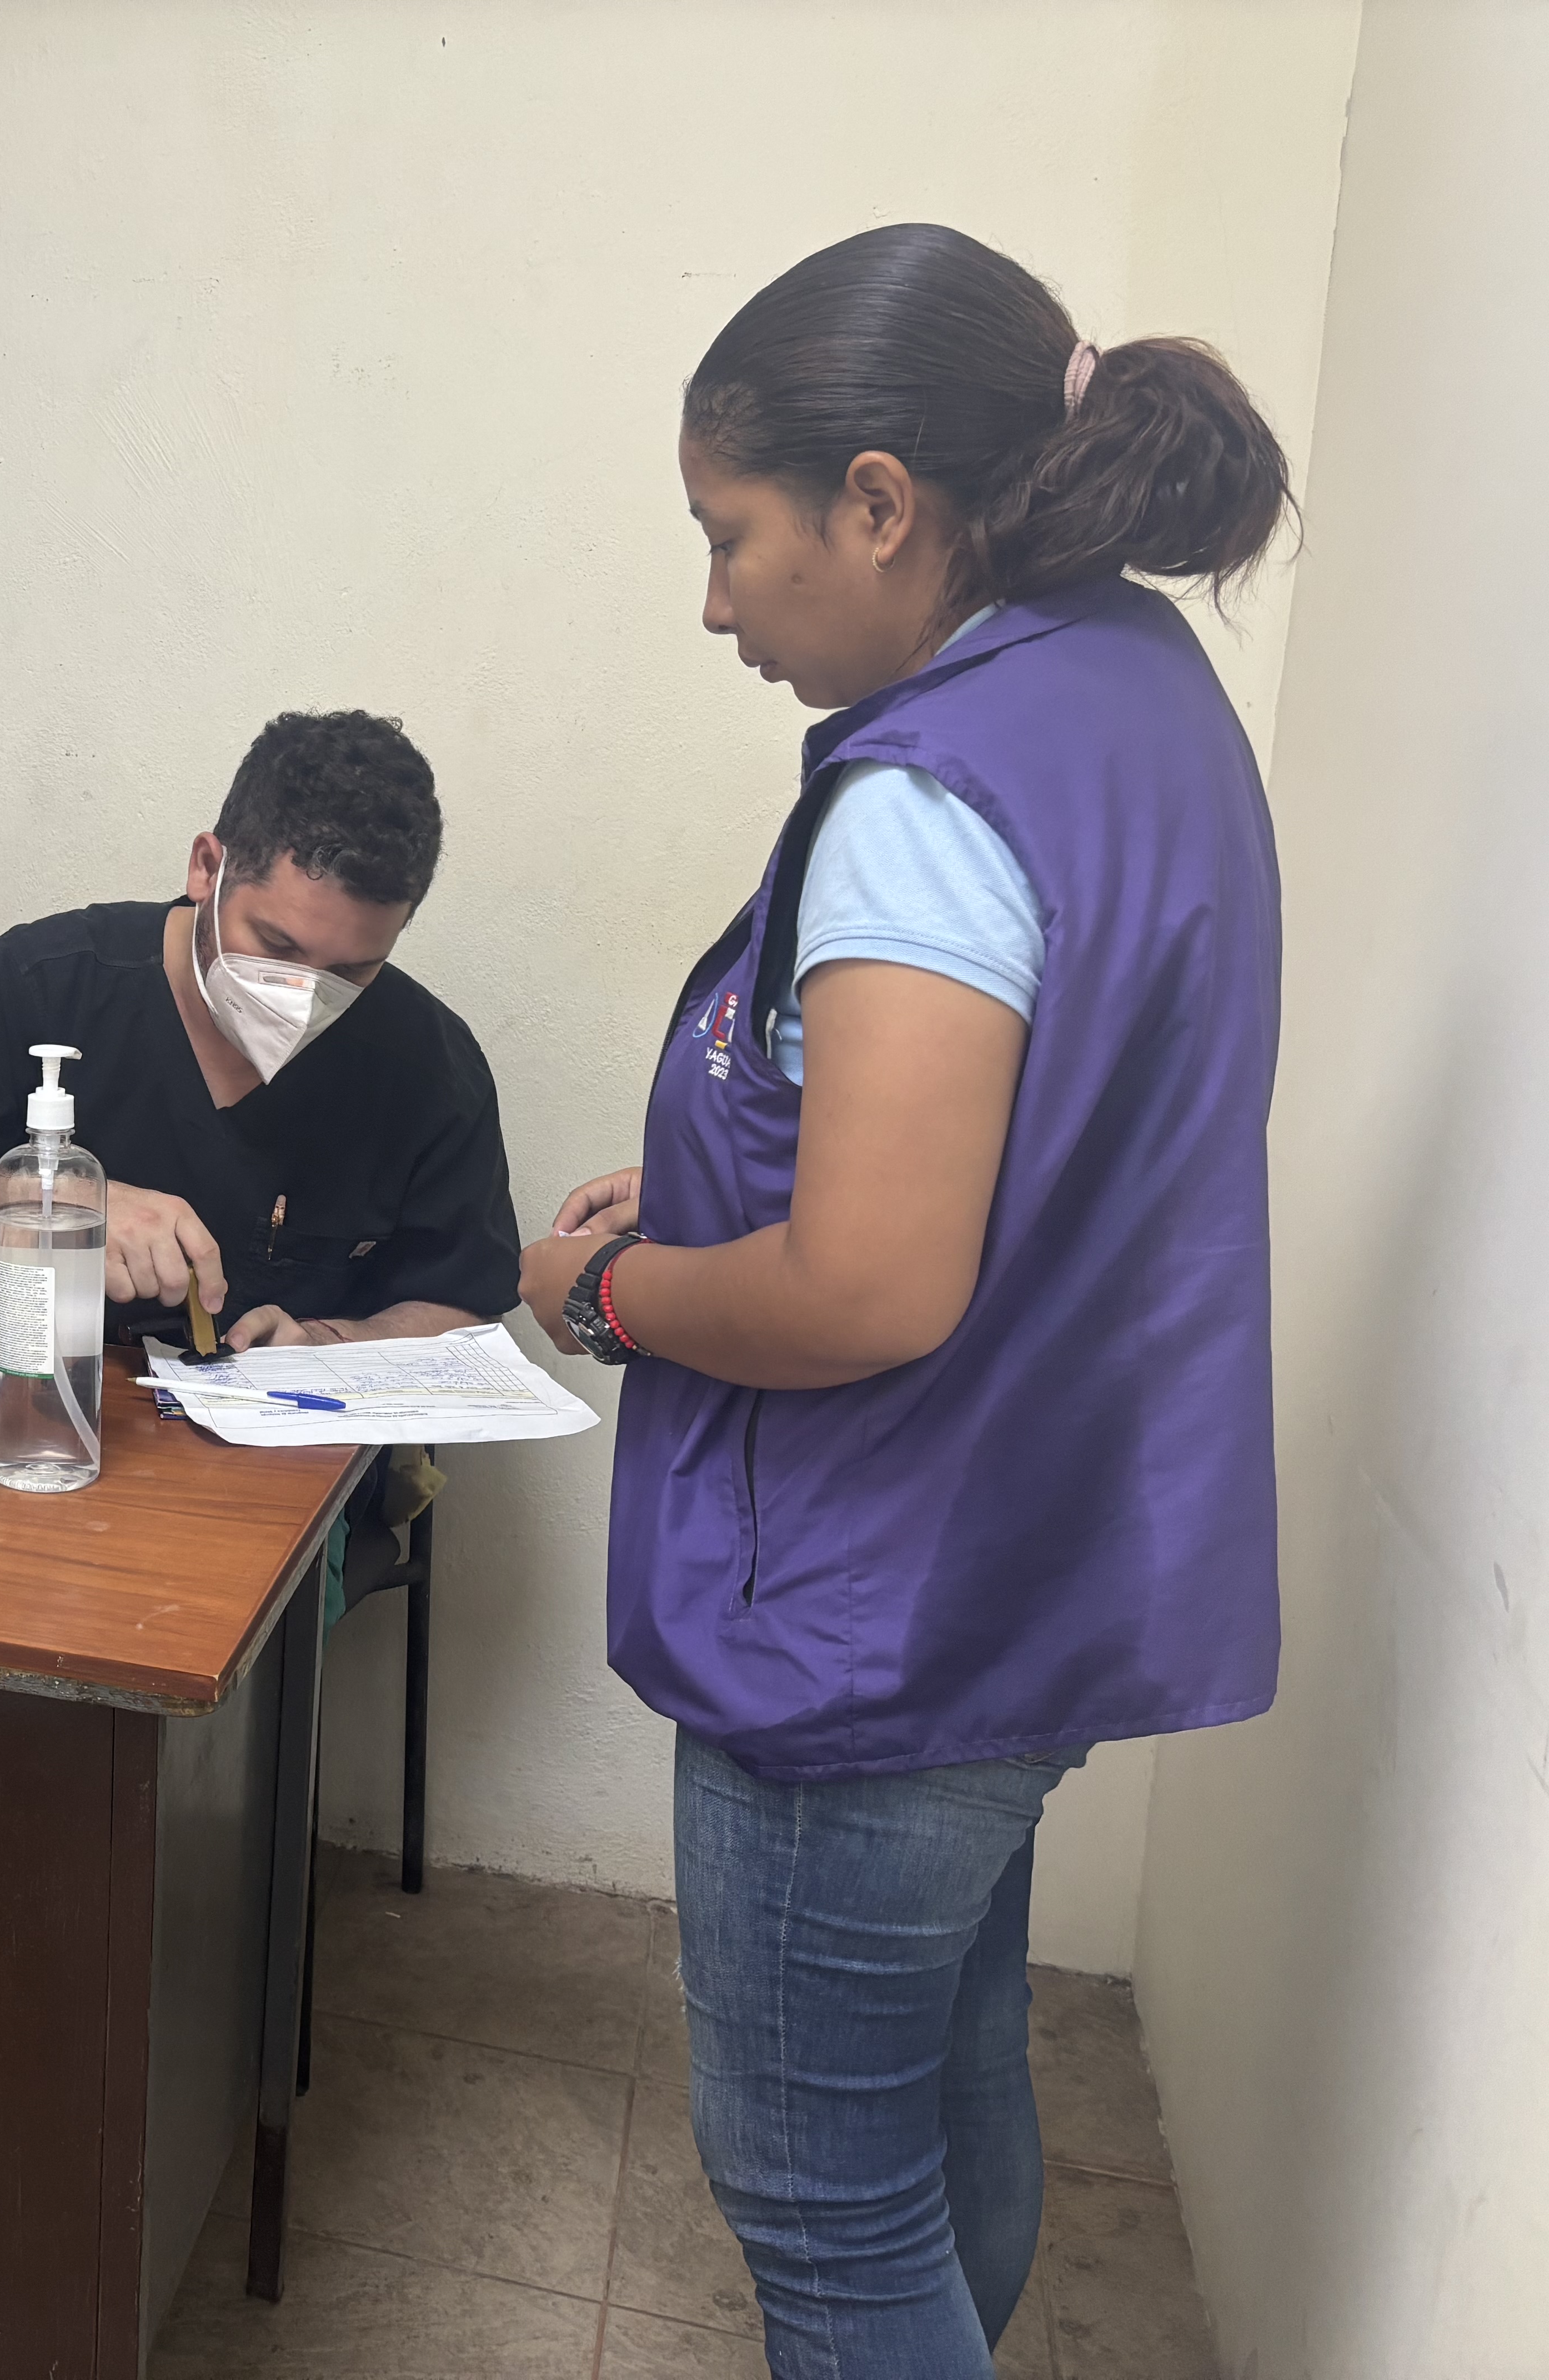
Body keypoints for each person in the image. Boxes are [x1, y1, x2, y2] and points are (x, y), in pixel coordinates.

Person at [517, 224, 1290, 2377]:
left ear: (876, 501)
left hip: (875, 1614)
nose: (714, 602)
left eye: (728, 534)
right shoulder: (1129, 688)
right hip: (1038, 1560)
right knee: (950, 2102)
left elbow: (866, 1281)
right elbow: (1041, 1123)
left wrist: (615, 1289)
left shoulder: (928, 789)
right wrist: (709, 1182)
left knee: (825, 2199)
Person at [0, 710, 518, 1350]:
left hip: (281, 1435)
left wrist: (327, 1346)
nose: (303, 999)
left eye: (351, 971)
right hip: (29, 1405)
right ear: (207, 869)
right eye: (276, 946)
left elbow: (463, 1306)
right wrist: (52, 1201)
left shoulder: (429, 1067)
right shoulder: (51, 981)